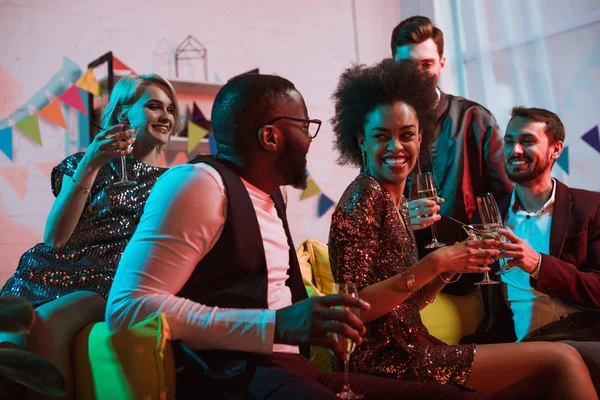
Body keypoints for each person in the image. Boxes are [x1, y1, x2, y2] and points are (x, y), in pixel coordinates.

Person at [106, 73, 487, 400]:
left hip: (295, 366)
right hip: (236, 374)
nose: (309, 140)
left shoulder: (274, 193)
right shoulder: (198, 184)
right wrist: (276, 325)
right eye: (305, 127)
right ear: (271, 137)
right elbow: (126, 308)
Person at [328, 58, 596, 400]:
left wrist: (446, 270)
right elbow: (352, 309)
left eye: (406, 135)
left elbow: (405, 308)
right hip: (385, 359)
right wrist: (436, 263)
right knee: (562, 360)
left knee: (549, 372)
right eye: (381, 136)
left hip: (410, 347)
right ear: (361, 141)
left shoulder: (394, 203)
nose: (396, 147)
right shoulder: (364, 196)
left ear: (420, 137)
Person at [0, 73, 182, 398]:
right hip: (43, 273)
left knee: (42, 323)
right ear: (123, 114)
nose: (166, 115)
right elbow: (55, 237)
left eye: (170, 109)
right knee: (9, 343)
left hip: (107, 282)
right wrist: (91, 163)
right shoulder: (84, 163)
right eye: (154, 106)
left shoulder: (178, 181)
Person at [466, 106, 600, 391]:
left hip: (587, 334)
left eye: (526, 141)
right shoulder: (489, 218)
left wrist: (539, 264)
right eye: (509, 140)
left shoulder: (592, 208)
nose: (514, 150)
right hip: (523, 347)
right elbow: (460, 278)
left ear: (555, 149)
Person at [391, 16, 514, 292]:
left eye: (426, 65)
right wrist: (399, 216)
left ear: (442, 64)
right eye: (407, 66)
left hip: (473, 273)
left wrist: (481, 245)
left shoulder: (475, 118)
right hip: (405, 275)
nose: (417, 74)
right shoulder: (378, 127)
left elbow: (506, 198)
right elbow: (368, 201)